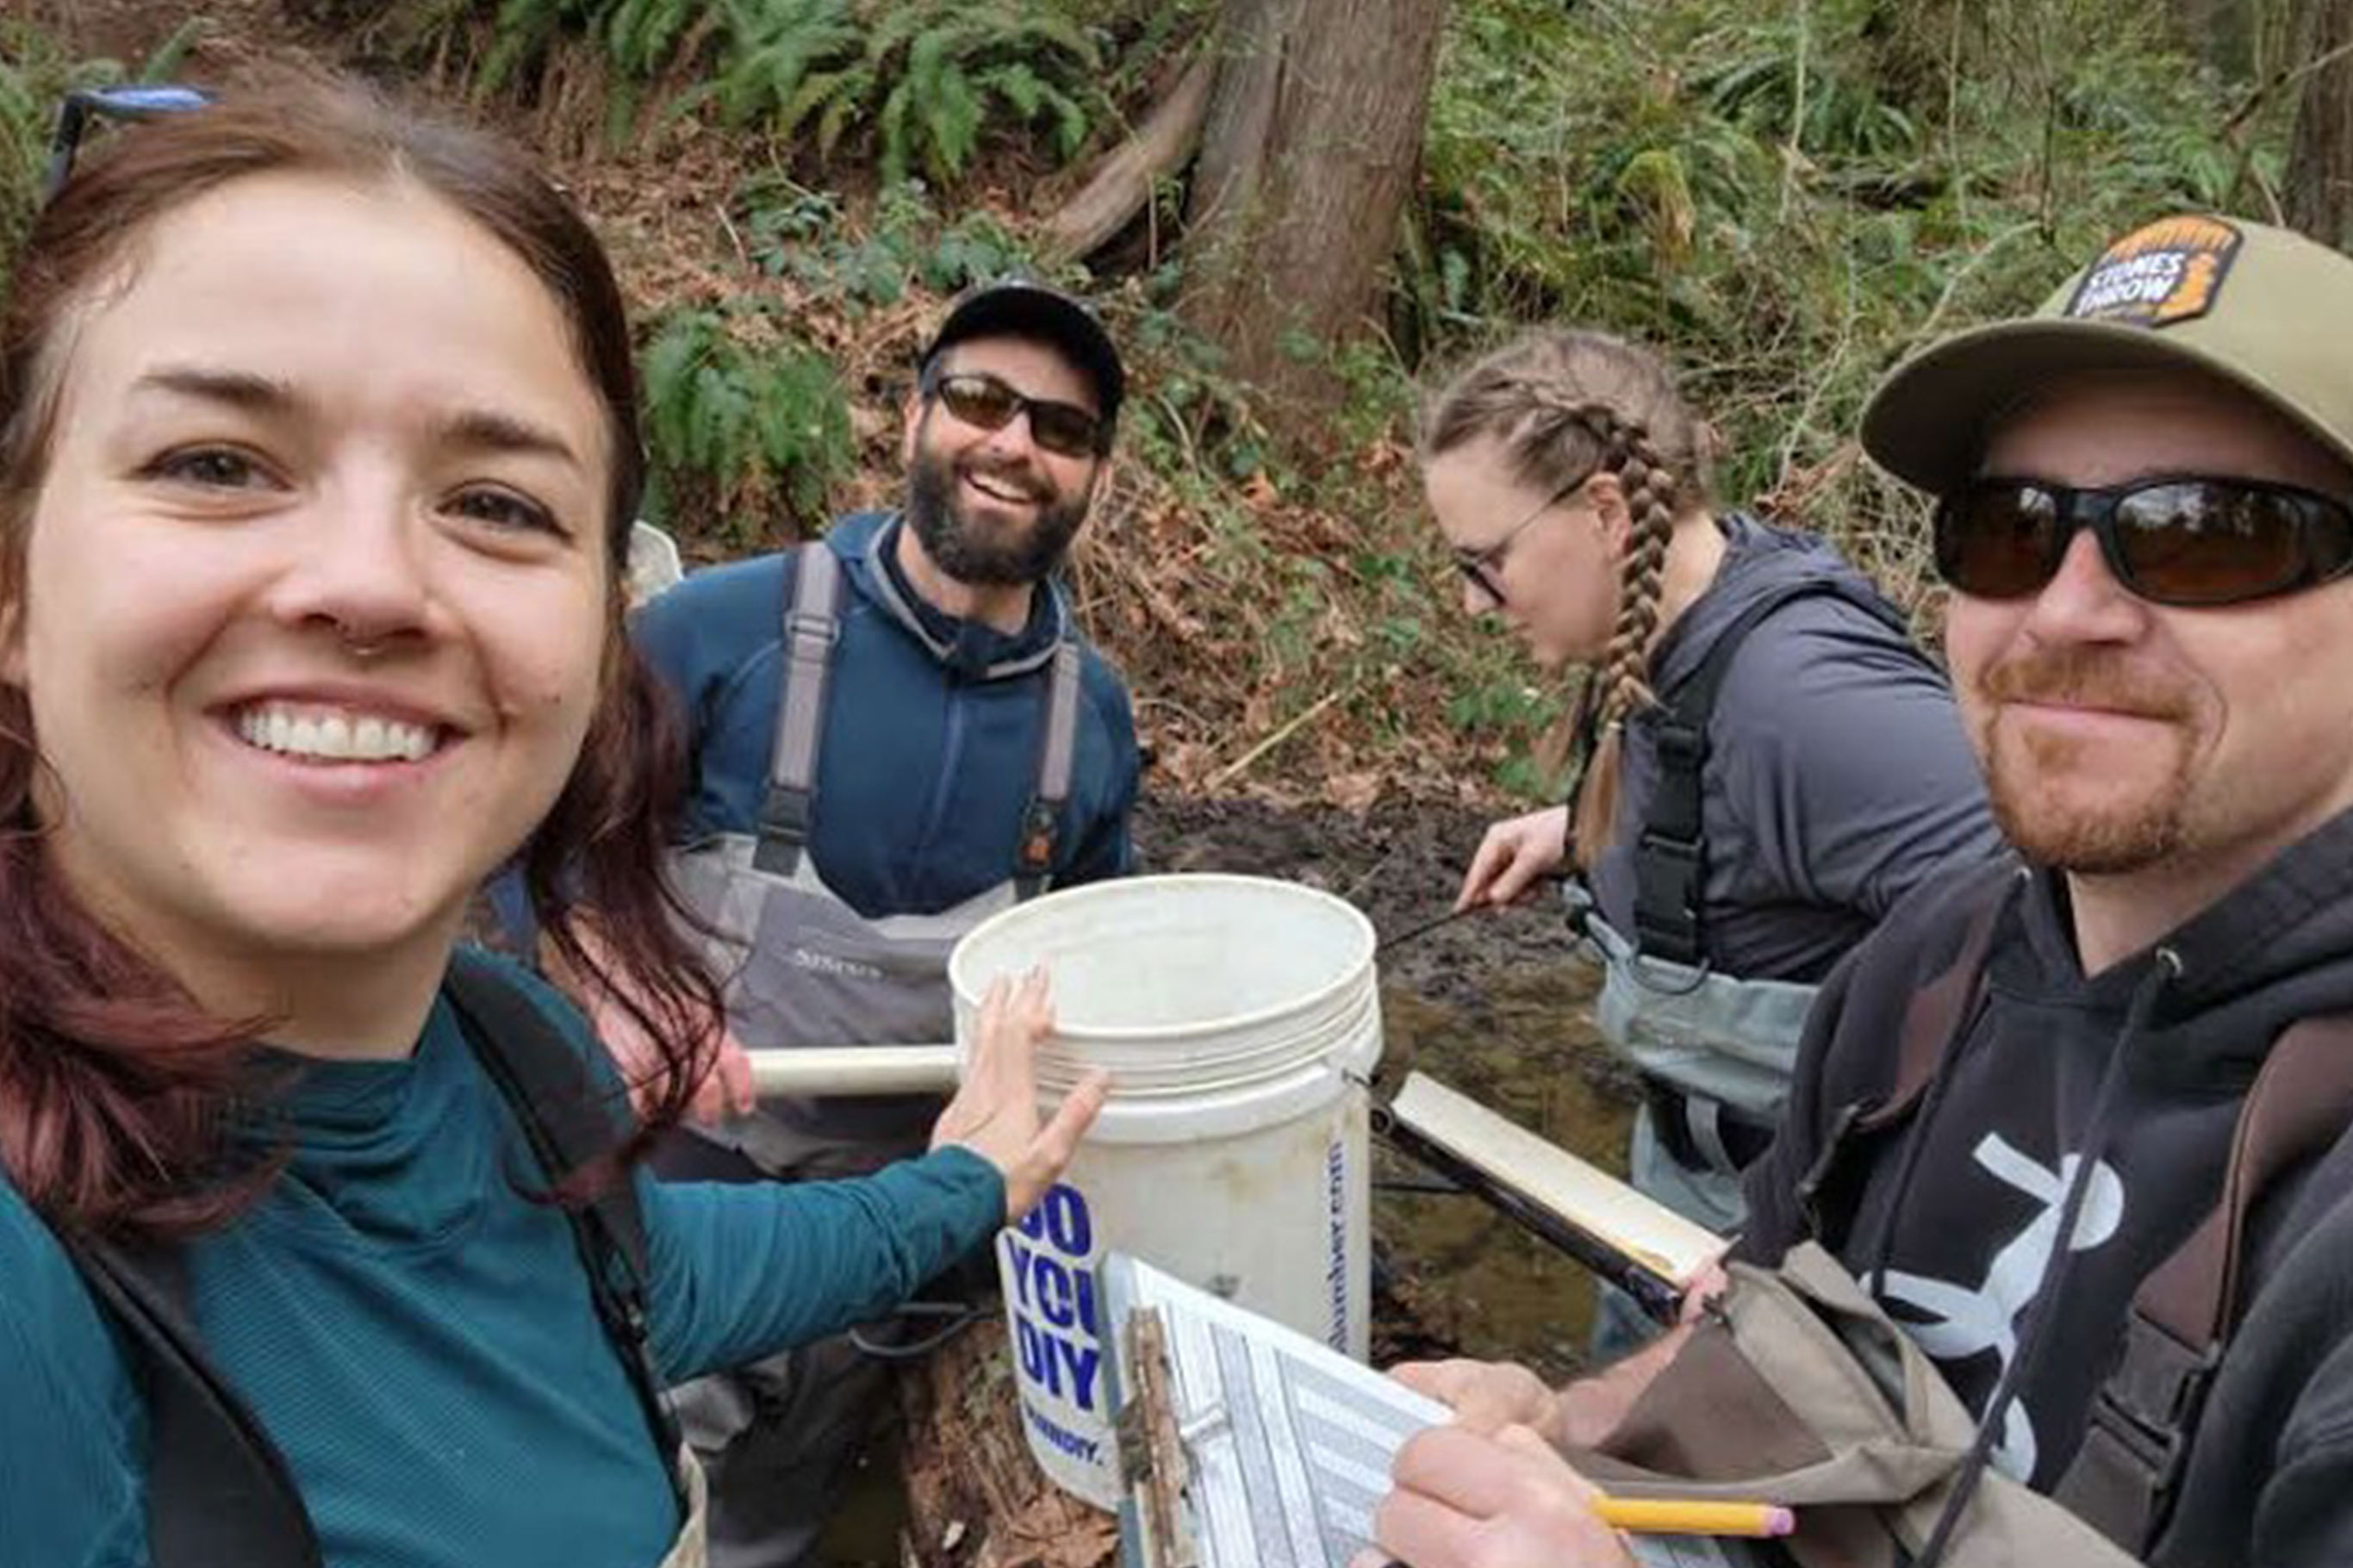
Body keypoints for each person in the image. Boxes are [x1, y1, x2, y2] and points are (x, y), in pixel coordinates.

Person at [0, 69, 1103, 1568]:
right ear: (16, 588)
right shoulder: (35, 1293)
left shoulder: (509, 1068)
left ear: (595, 633)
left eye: (499, 503)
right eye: (216, 465)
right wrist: (606, 963)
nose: (371, 583)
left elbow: (614, 1274)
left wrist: (966, 1181)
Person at [1373, 214, 2353, 1567]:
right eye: (2010, 529)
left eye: (2203, 535)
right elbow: (1762, 1350)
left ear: (1601, 511)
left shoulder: (1802, 701)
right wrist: (1567, 1427)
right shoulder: (1923, 978)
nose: (2066, 612)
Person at [558, 280, 1142, 1565]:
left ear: (1092, 475)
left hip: (914, 1241)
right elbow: (530, 844)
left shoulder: (1090, 721)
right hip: (680, 1202)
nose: (1013, 443)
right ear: (914, 415)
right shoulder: (714, 633)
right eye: (980, 401)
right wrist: (606, 992)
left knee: (772, 1535)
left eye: (1060, 426)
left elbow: (1105, 980)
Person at [1422, 328, 1998, 1343]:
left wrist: (1806, 1253)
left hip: (1793, 1264)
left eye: (1486, 561)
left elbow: (2044, 931)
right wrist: (1585, 833)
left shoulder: (1802, 698)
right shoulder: (1662, 631)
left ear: (1603, 511)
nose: (1471, 603)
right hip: (1680, 1204)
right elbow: (1750, 815)